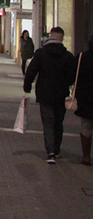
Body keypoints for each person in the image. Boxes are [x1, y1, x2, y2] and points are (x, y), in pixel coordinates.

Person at [24, 26, 77, 163]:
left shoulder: (41, 53)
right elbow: (72, 77)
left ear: (50, 36)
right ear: (62, 38)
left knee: (48, 122)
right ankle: (57, 148)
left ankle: (51, 152)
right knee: (58, 122)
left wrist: (27, 85)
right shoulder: (68, 56)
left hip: (44, 93)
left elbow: (32, 70)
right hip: (61, 95)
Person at [75, 35, 93, 166]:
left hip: (86, 98)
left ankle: (86, 156)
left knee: (86, 126)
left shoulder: (82, 58)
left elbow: (72, 75)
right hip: (86, 98)